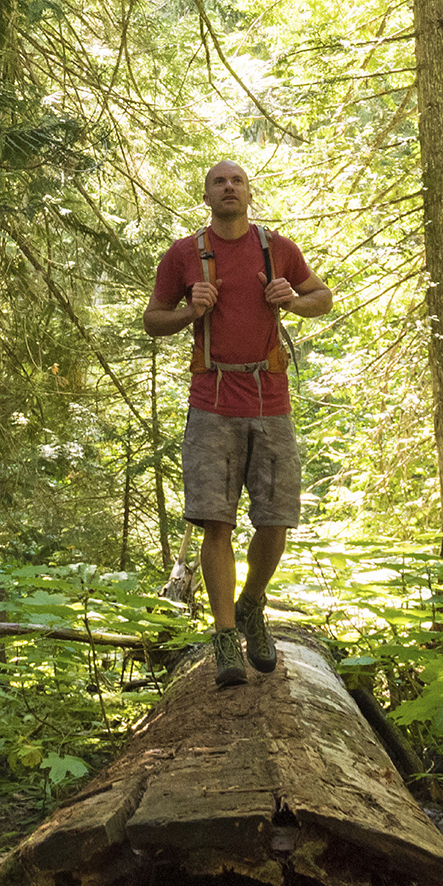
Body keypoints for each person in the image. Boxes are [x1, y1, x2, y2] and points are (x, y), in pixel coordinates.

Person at [143, 161, 332, 686]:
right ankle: (226, 635)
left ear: (248, 193)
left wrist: (293, 299)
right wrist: (189, 312)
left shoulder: (277, 249)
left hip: (271, 399)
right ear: (206, 195)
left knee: (276, 517)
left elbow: (323, 297)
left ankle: (252, 603)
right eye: (218, 182)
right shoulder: (184, 254)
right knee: (216, 520)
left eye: (237, 181)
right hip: (212, 401)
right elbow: (153, 318)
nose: (228, 188)